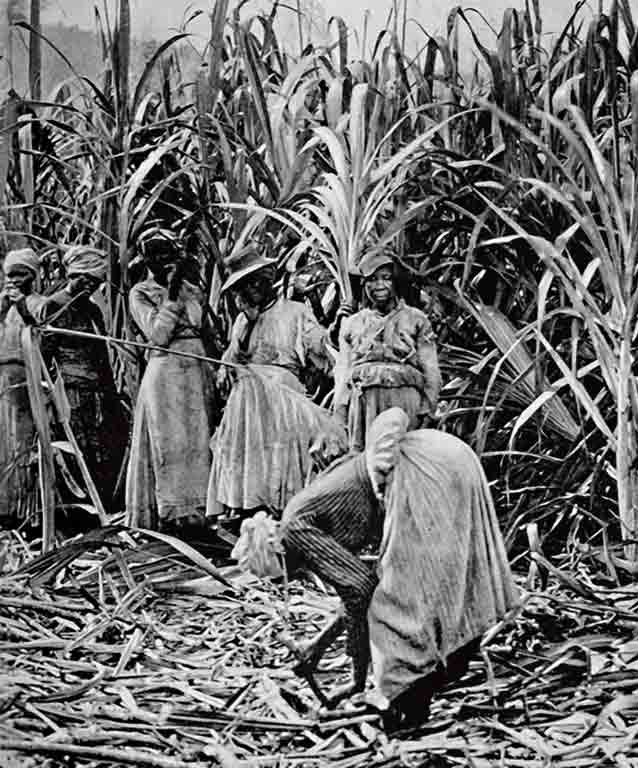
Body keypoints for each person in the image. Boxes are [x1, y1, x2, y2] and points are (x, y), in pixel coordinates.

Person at [270, 407, 518, 731]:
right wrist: (319, 647)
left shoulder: (295, 531)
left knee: (398, 602)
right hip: (442, 455)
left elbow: (360, 591)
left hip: (419, 474)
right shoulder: (301, 509)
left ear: (280, 557)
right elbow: (354, 591)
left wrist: (358, 680)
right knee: (450, 575)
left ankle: (402, 701)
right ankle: (450, 662)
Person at [206, 246, 342, 521]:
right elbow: (230, 364)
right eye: (244, 285)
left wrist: (337, 327)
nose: (252, 289)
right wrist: (248, 325)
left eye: (256, 281)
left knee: (284, 449)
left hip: (283, 395)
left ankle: (282, 508)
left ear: (269, 278)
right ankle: (250, 508)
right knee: (251, 442)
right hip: (248, 400)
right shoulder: (243, 320)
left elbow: (320, 348)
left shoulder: (295, 311)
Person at [126, 231, 217, 532]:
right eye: (154, 254)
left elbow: (203, 328)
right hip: (166, 372)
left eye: (166, 252)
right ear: (145, 258)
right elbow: (158, 334)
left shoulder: (193, 289)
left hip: (196, 370)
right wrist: (173, 295)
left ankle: (201, 513)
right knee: (170, 442)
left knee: (198, 440)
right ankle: (174, 515)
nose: (161, 259)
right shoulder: (141, 292)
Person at [42, 246, 127, 510]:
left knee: (103, 448)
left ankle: (104, 505)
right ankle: (81, 510)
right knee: (78, 448)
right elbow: (44, 355)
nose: (91, 286)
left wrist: (112, 392)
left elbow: (101, 355)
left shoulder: (92, 310)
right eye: (86, 279)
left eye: (97, 282)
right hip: (72, 391)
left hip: (98, 390)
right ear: (72, 274)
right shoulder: (54, 305)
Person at [333, 253, 442, 450]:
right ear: (364, 285)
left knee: (404, 457)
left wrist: (428, 408)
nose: (379, 286)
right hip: (365, 403)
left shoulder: (416, 319)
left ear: (395, 281)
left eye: (386, 278)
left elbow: (431, 368)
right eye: (372, 280)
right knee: (366, 459)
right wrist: (340, 411)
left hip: (404, 400)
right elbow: (342, 371)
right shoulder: (352, 324)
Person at [0, 248, 50, 529]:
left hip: (27, 376)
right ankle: (4, 509)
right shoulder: (3, 305)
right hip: (3, 377)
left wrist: (21, 307)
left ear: (32, 276)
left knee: (24, 443)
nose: (14, 280)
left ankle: (27, 512)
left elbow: (40, 336)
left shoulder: (40, 303)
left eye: (20, 274)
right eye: (10, 275)